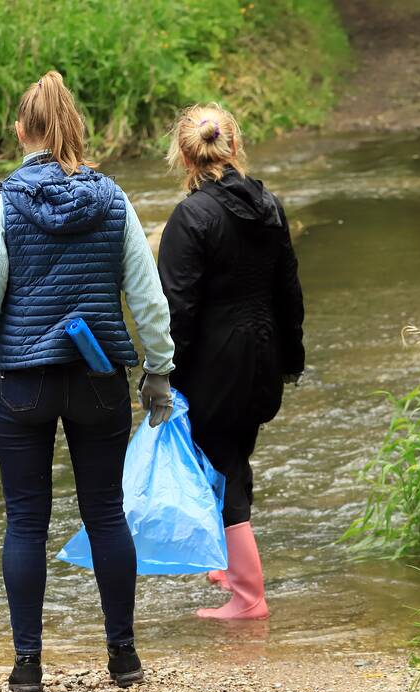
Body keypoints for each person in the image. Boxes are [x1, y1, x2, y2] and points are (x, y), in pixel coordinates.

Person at [0, 71, 175, 692]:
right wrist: (158, 371)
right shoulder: (115, 202)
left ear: (21, 132)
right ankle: (123, 658)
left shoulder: (2, 206)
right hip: (98, 382)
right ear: (76, 129)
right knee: (106, 514)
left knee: (24, 522)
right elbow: (147, 300)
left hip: (22, 386)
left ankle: (28, 667)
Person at [157, 104, 305, 621]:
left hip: (213, 366)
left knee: (224, 466)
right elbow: (289, 291)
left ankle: (247, 596)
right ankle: (229, 566)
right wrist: (291, 355)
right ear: (234, 146)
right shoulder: (270, 206)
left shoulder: (191, 217)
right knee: (232, 457)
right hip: (263, 356)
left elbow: (177, 310)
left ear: (183, 155)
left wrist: (162, 375)